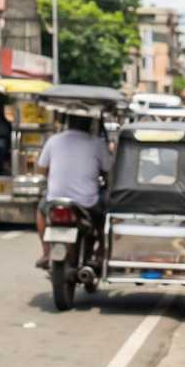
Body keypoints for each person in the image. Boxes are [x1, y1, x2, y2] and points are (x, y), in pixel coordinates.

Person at [33, 114, 111, 268]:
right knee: (104, 217)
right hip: (87, 202)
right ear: (90, 125)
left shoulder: (54, 140)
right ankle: (101, 252)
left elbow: (41, 169)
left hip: (55, 199)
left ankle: (46, 252)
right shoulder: (97, 144)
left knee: (41, 211)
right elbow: (108, 169)